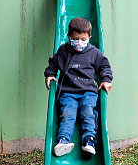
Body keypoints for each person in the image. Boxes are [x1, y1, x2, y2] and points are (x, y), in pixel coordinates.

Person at [44, 17, 113, 157]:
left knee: (88, 111)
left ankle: (89, 140)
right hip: (68, 92)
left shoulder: (94, 52)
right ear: (69, 36)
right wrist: (50, 74)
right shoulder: (64, 51)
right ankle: (63, 141)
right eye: (76, 39)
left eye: (83, 39)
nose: (79, 43)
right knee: (67, 114)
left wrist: (106, 79)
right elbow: (53, 64)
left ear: (89, 37)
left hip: (88, 91)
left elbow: (104, 66)